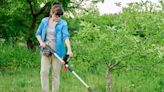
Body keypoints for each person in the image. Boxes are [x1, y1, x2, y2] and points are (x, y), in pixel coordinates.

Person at [36, 3, 73, 92]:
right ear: (51, 13)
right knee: (44, 72)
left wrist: (69, 50)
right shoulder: (44, 21)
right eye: (57, 15)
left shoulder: (63, 23)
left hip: (58, 50)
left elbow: (66, 37)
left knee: (55, 75)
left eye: (60, 16)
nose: (58, 17)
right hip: (46, 49)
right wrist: (41, 42)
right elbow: (38, 34)